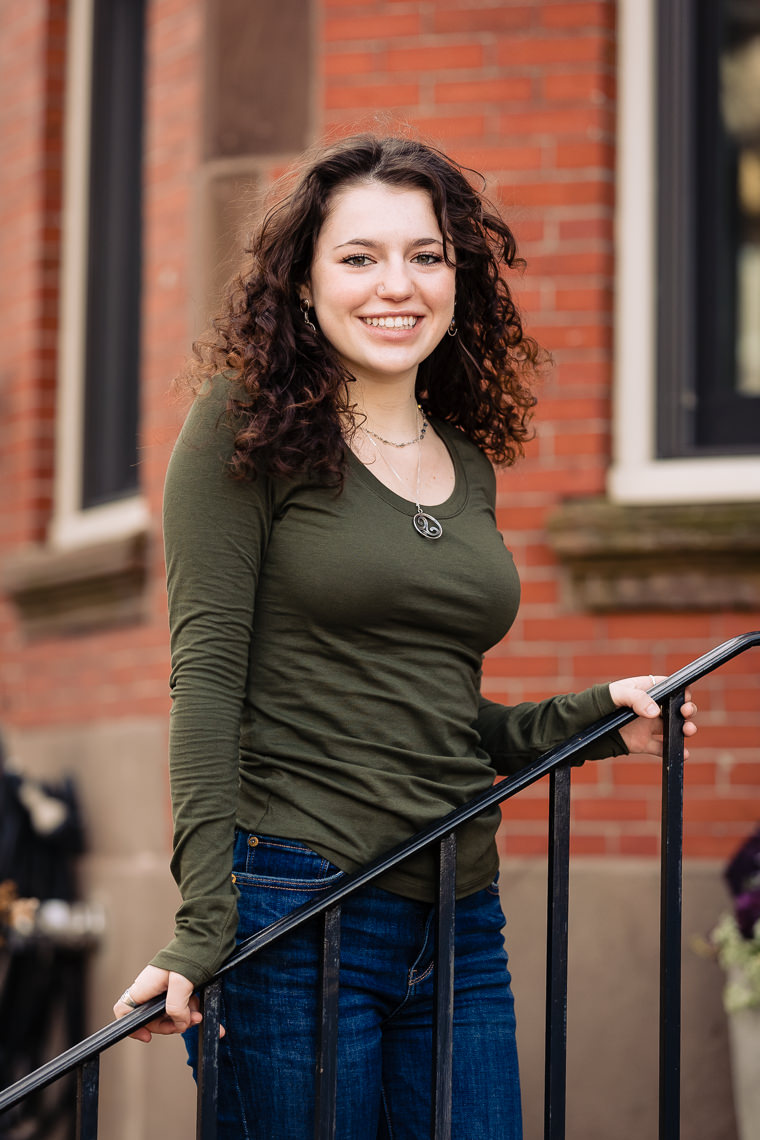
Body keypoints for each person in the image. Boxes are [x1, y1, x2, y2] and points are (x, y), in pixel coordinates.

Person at [113, 134, 697, 1138]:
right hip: (296, 907)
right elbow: (206, 680)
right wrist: (204, 922)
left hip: (461, 914)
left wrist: (588, 721)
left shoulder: (465, 461)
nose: (398, 285)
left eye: (425, 256)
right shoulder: (242, 425)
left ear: (457, 277)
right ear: (302, 281)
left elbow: (426, 709)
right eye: (359, 256)